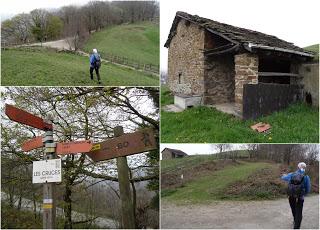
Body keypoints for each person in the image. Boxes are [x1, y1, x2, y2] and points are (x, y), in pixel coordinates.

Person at [281, 162, 311, 229]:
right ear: (304, 168)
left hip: (291, 196)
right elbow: (308, 189)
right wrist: (304, 194)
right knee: (299, 211)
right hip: (300, 197)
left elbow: (283, 178)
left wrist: (283, 175)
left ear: (298, 167)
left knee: (293, 209)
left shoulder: (291, 174)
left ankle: (295, 220)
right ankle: (296, 227)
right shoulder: (306, 177)